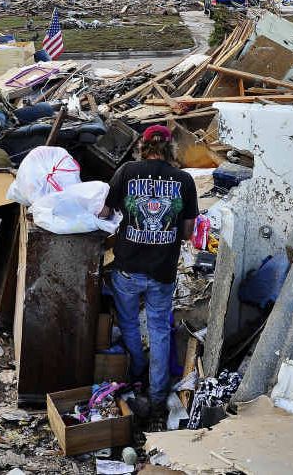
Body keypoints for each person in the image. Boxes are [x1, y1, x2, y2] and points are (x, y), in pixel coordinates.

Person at [101, 125, 198, 424]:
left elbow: (105, 213)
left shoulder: (127, 172)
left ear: (143, 146)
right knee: (158, 330)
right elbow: (187, 233)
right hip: (162, 271)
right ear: (170, 149)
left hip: (128, 268)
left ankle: (138, 373)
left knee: (129, 322)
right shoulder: (184, 180)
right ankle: (157, 398)